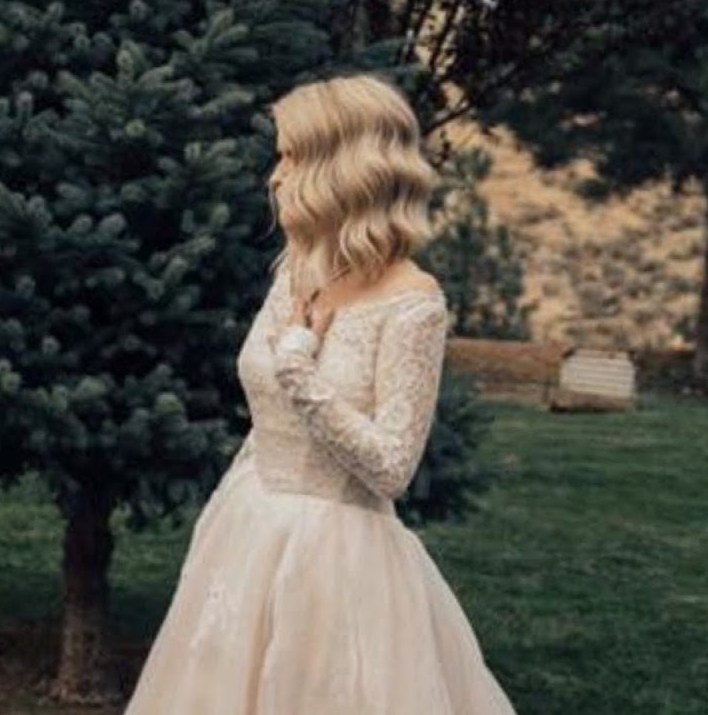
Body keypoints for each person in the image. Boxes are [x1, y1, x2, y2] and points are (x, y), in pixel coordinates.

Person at [125, 74, 517, 714]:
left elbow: (392, 467)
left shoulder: (414, 304)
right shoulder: (298, 269)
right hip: (248, 532)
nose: (274, 177)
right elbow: (264, 411)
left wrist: (303, 375)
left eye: (290, 157)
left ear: (344, 167)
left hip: (336, 561)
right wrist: (226, 518)